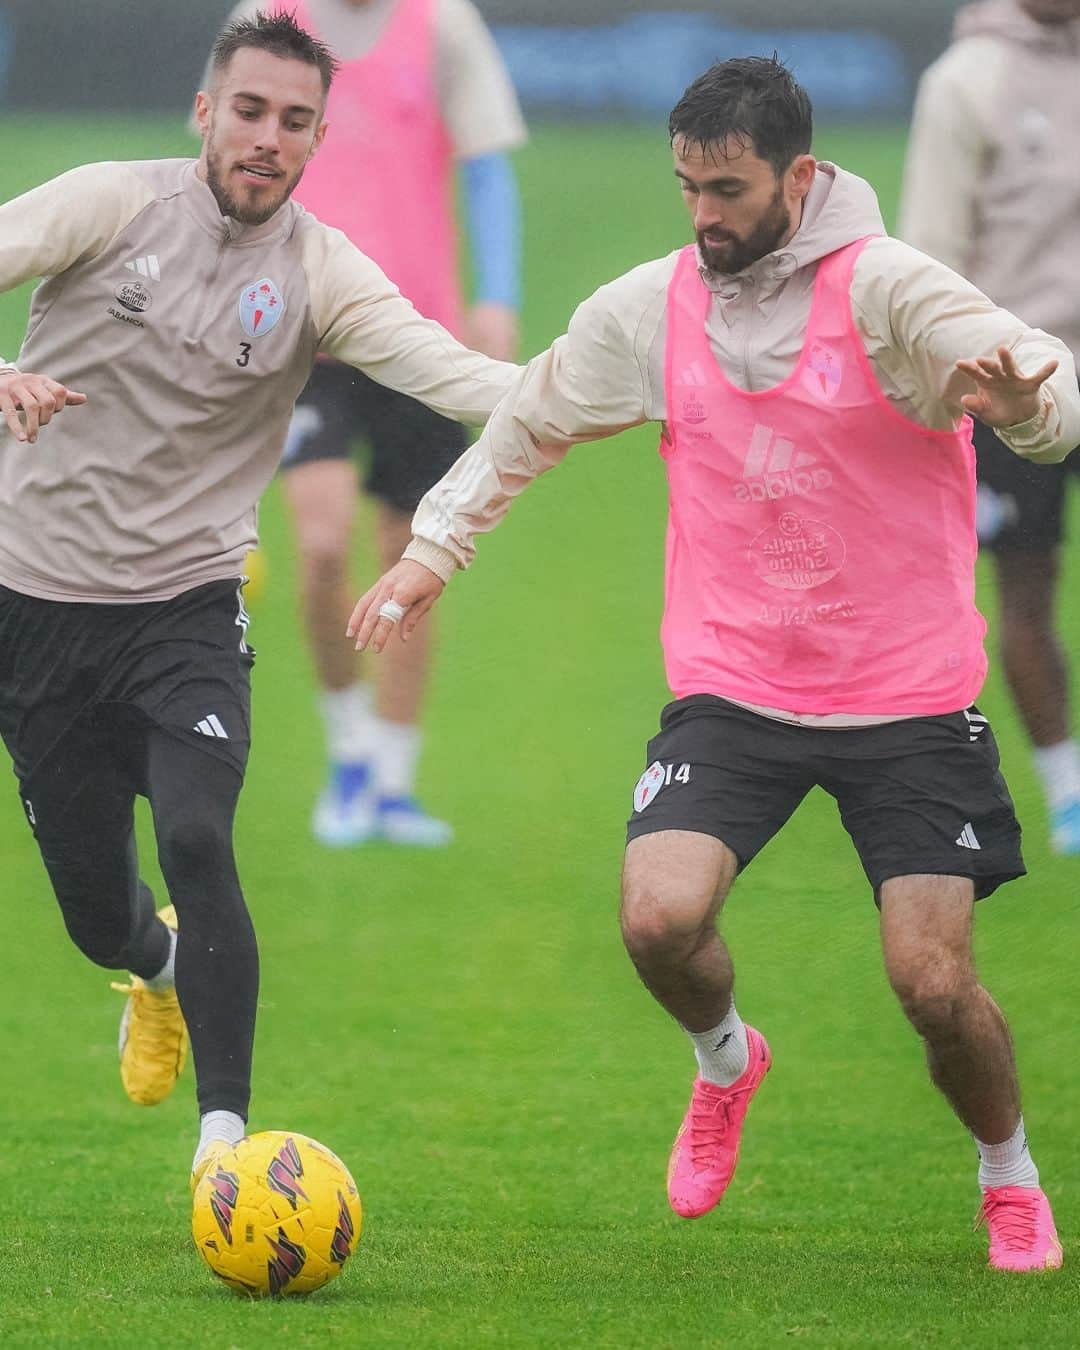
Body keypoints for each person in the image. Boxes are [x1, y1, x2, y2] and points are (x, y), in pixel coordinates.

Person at [349, 57, 1080, 1271]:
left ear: (799, 177)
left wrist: (1023, 413)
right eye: (687, 185)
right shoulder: (651, 306)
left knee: (933, 986)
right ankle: (729, 1061)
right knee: (658, 921)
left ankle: (1009, 1172)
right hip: (735, 689)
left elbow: (1045, 388)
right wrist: (434, 547)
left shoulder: (892, 290)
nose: (703, 214)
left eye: (728, 188)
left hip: (906, 697)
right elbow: (531, 417)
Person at [0, 10, 516, 1191]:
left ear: (318, 136)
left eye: (294, 122)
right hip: (29, 604)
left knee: (193, 833)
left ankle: (223, 1142)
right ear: (204, 111)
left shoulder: (318, 270)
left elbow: (457, 374)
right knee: (95, 914)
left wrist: (630, 382)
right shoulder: (107, 204)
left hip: (185, 603)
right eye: (248, 112)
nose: (266, 138)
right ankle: (153, 969)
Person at [206, 0, 526, 849]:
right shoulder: (268, 18)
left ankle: (391, 777)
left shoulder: (442, 24)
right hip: (300, 333)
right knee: (318, 546)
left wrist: (497, 295)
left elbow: (487, 162)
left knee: (410, 553)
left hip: (417, 335)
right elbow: (215, 160)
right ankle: (347, 752)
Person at [899, 0, 1080, 854]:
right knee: (1026, 587)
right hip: (1019, 379)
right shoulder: (968, 80)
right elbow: (928, 254)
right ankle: (1069, 794)